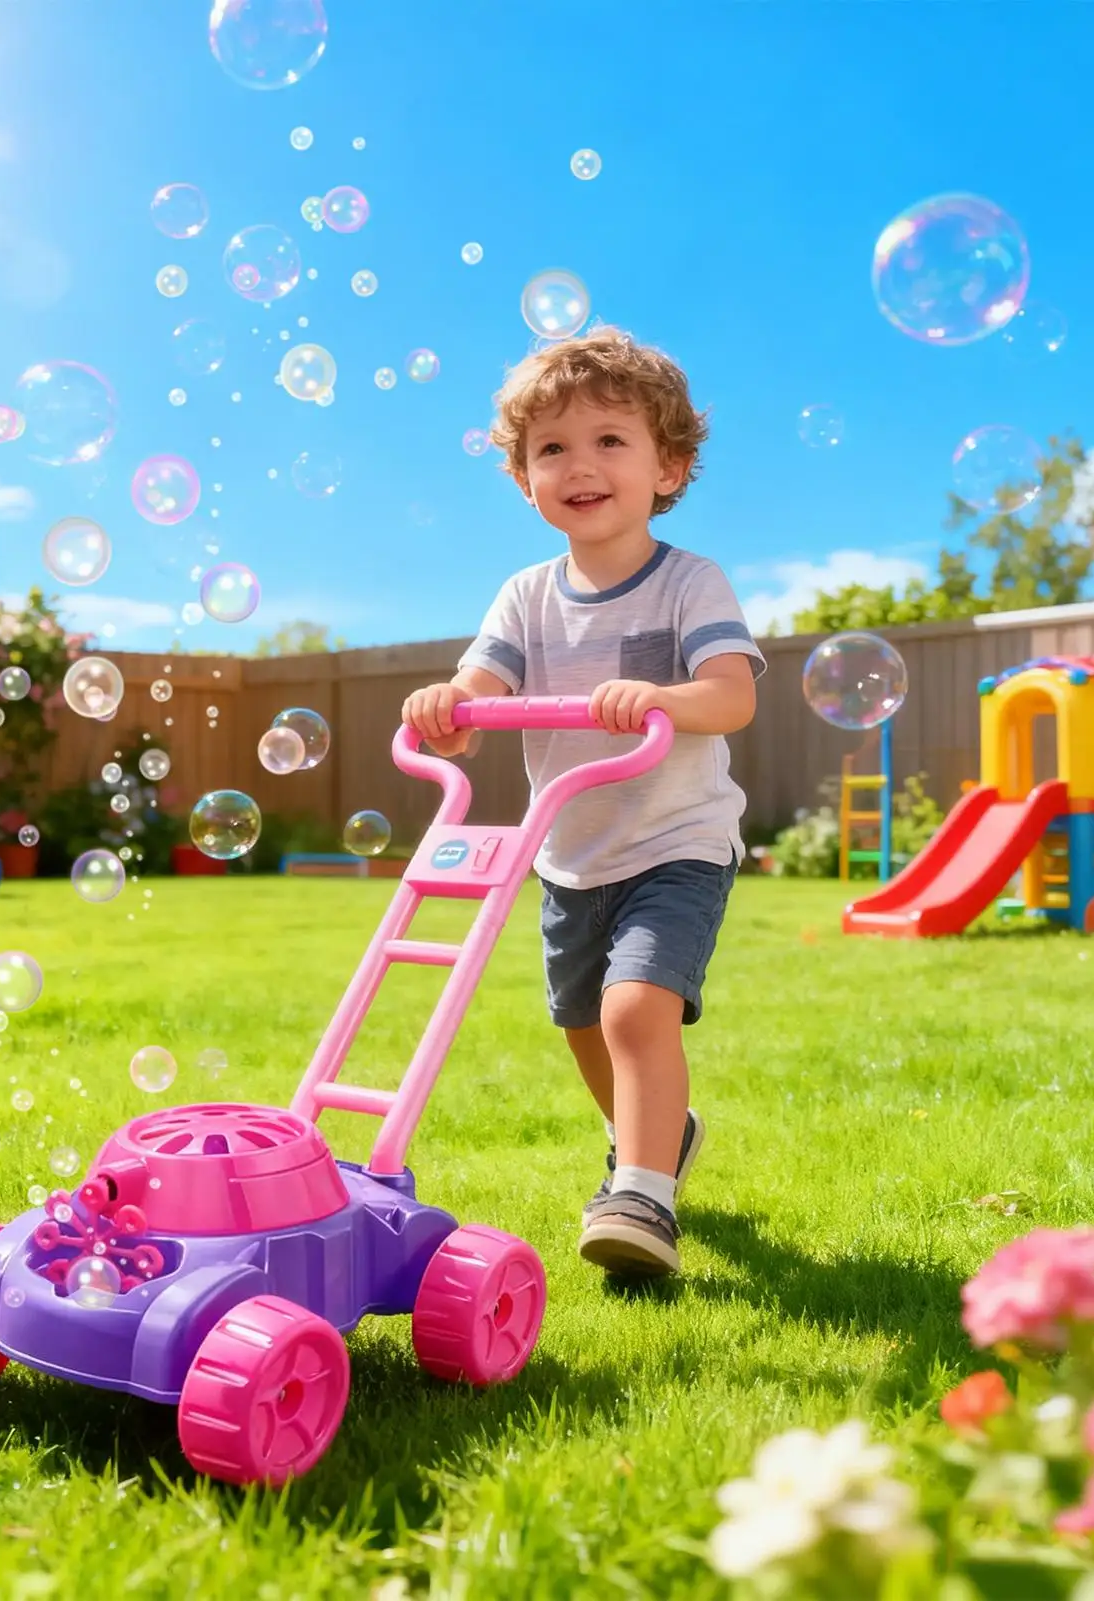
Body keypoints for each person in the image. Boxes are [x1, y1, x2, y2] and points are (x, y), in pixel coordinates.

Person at [401, 326, 764, 1278]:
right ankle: (658, 1133)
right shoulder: (525, 596)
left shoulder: (690, 583)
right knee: (580, 1023)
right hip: (568, 852)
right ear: (525, 478)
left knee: (635, 1008)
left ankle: (640, 1190)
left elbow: (731, 695)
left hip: (675, 840)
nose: (579, 465)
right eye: (551, 448)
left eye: (609, 440)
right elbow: (479, 689)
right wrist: (449, 705)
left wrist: (659, 698)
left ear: (669, 464)